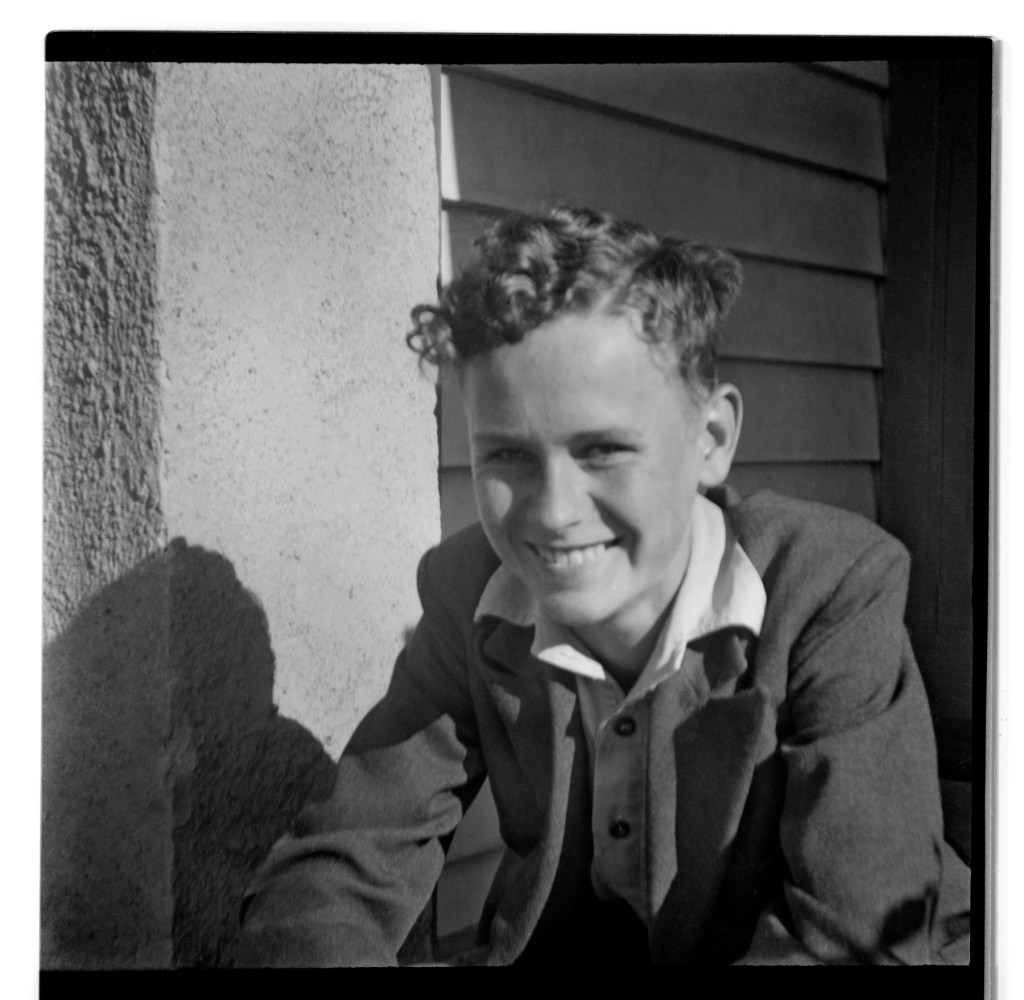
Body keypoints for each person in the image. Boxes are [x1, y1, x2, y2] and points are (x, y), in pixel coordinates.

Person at [237, 205, 971, 966]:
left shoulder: (830, 587)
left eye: (603, 451)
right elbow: (335, 872)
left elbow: (855, 941)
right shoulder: (470, 594)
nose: (552, 514)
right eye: (508, 458)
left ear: (711, 440)